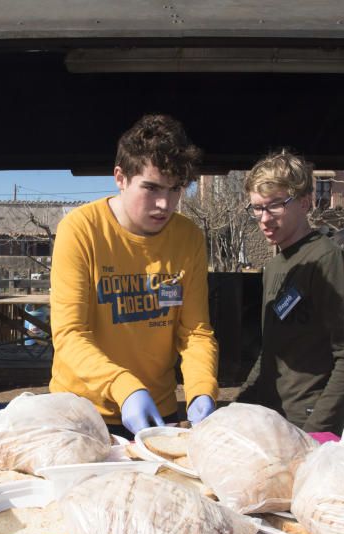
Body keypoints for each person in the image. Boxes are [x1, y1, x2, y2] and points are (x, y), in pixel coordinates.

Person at [49, 114, 219, 436]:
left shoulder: (189, 237)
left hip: (156, 410)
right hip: (82, 411)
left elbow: (195, 331)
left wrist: (201, 389)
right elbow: (69, 333)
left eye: (175, 189)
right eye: (151, 188)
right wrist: (124, 387)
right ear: (121, 177)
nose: (164, 204)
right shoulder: (81, 230)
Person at [235, 149, 344, 434]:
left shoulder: (327, 260)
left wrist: (317, 431)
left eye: (274, 206)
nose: (264, 218)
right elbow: (270, 352)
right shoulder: (273, 267)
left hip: (310, 423)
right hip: (274, 420)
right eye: (257, 208)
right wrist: (239, 404)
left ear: (305, 202)